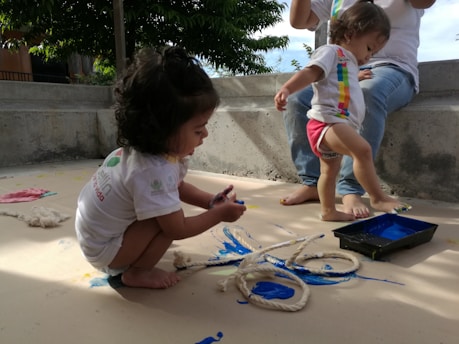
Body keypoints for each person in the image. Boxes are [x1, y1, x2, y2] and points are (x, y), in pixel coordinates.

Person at [75, 46, 247, 289]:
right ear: (162, 130)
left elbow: (177, 186)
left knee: (164, 207)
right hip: (105, 251)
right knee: (165, 218)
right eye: (198, 129)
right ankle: (138, 272)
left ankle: (135, 257)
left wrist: (211, 201)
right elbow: (178, 229)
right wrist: (218, 215)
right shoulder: (152, 170)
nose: (205, 134)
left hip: (94, 237)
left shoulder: (146, 152)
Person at [281, 0, 436, 218]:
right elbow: (299, 22)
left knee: (367, 93)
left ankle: (351, 189)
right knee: (298, 100)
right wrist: (287, 89)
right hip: (343, 69)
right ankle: (314, 184)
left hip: (392, 68)